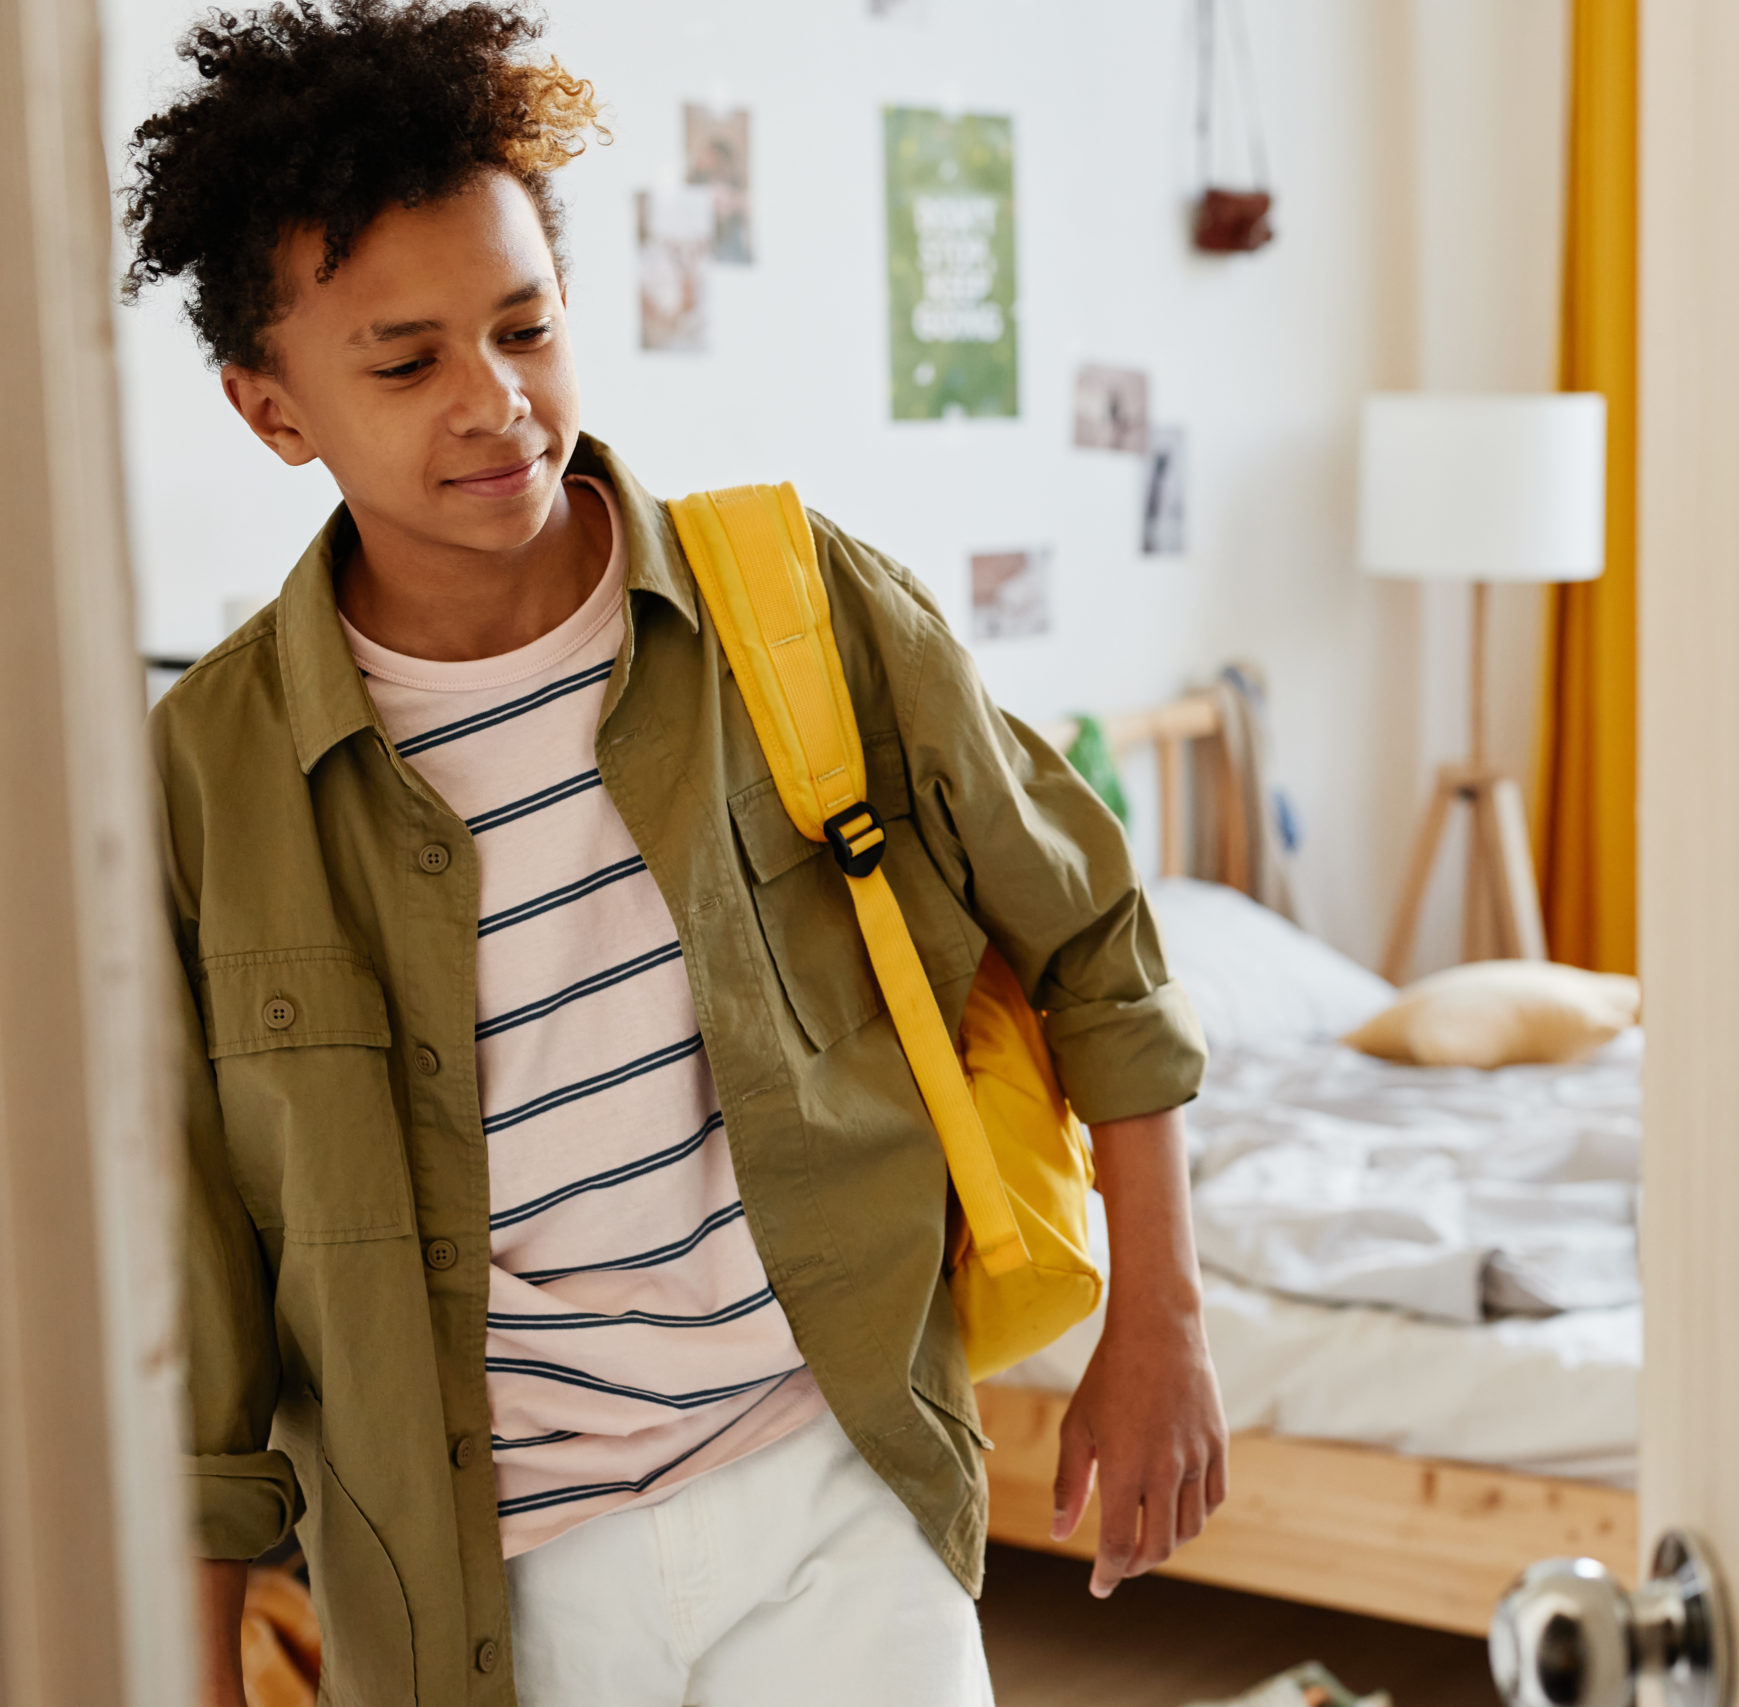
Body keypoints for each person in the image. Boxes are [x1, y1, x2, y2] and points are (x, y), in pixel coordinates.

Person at [122, 5, 1226, 1703]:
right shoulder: (207, 782)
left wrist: (1161, 1322)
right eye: (407, 363)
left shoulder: (790, 601)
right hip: (486, 1597)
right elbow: (192, 1279)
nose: (496, 404)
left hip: (833, 1493)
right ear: (274, 410)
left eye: (527, 327)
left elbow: (1093, 938)